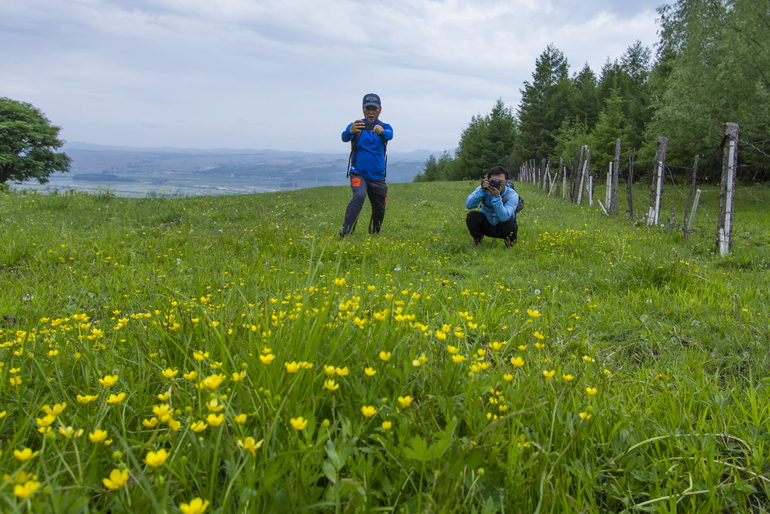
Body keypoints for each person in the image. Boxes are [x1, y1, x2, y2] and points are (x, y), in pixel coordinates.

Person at [339, 93, 393, 238]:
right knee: (359, 195)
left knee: (380, 209)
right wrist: (350, 131)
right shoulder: (356, 126)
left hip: (378, 177)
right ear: (363, 109)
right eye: (368, 108)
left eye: (374, 109)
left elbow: (389, 134)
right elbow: (344, 137)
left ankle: (374, 232)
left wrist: (381, 133)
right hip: (358, 173)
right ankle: (346, 233)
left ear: (380, 109)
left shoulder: (385, 127)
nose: (371, 112)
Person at [465, 165, 519, 247]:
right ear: (488, 180)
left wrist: (496, 197)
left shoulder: (512, 194)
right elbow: (468, 205)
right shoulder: (483, 189)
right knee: (471, 215)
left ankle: (510, 244)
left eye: (500, 181)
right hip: (487, 224)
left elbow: (505, 217)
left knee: (510, 220)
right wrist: (481, 191)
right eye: (493, 181)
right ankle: (477, 240)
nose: (497, 184)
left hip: (503, 226)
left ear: (506, 182)